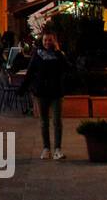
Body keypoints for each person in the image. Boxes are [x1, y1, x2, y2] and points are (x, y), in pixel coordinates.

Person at [20, 30, 71, 160]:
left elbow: (68, 68)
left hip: (56, 92)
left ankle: (58, 149)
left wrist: (59, 53)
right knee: (44, 122)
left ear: (54, 41)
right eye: (45, 40)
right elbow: (30, 72)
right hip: (42, 92)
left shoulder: (59, 55)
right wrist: (23, 88)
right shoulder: (37, 55)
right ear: (42, 42)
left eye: (50, 40)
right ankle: (46, 148)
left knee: (57, 121)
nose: (47, 42)